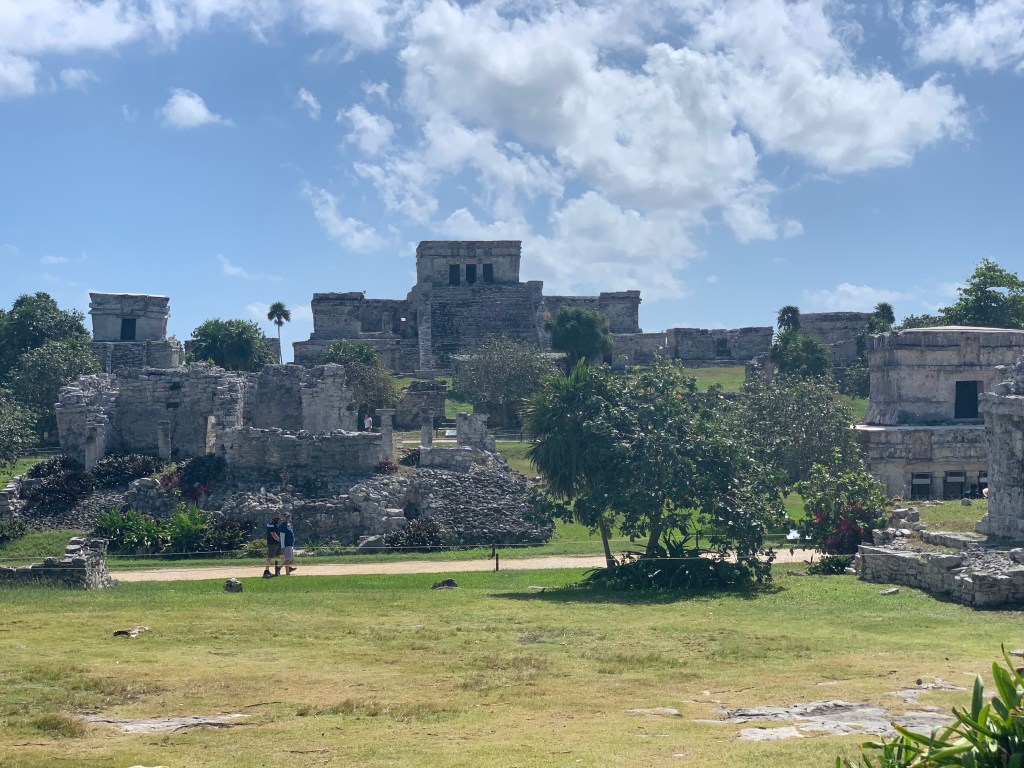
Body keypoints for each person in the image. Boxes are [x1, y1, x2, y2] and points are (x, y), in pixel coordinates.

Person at [263, 511, 282, 578]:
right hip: (272, 543)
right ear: (273, 515)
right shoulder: (271, 523)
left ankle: (279, 569)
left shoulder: (277, 523)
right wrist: (280, 541)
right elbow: (273, 534)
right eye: (277, 515)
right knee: (270, 556)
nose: (278, 516)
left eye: (279, 515)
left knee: (282, 556)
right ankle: (266, 571)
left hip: (277, 543)